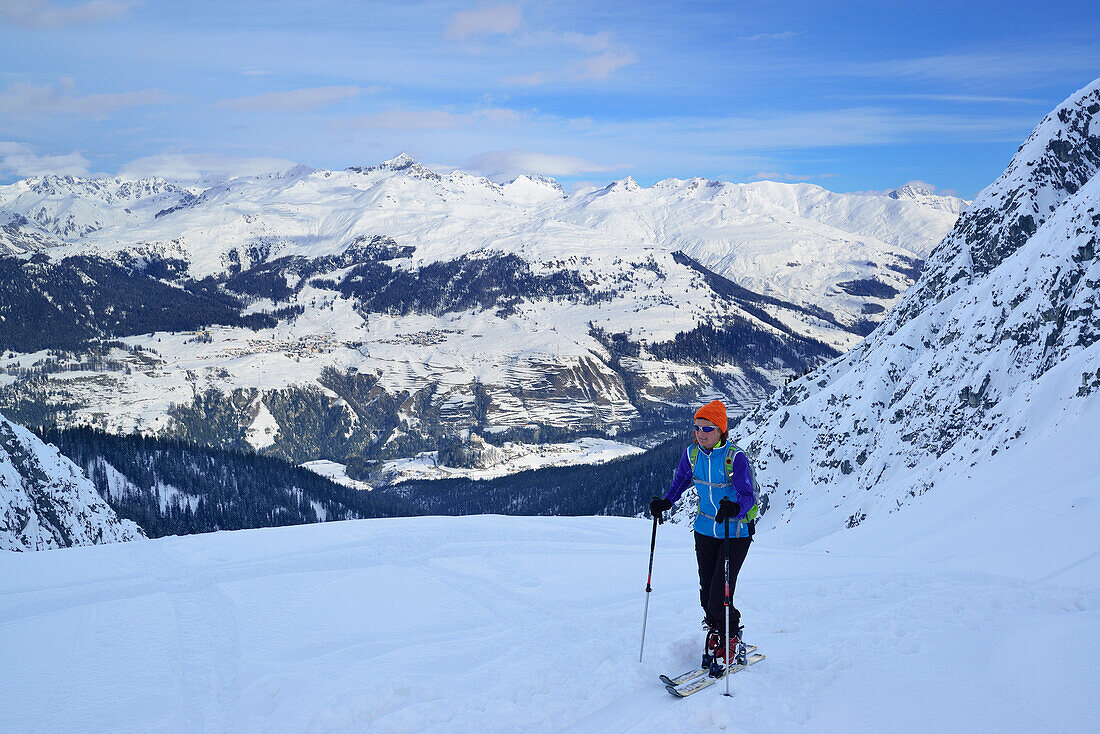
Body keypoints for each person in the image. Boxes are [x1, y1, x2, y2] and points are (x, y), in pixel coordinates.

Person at [649, 399, 757, 675]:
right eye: (696, 428)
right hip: (704, 530)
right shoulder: (693, 454)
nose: (700, 433)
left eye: (707, 428)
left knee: (720, 593)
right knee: (706, 589)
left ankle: (731, 639)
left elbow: (748, 496)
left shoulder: (735, 457)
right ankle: (718, 632)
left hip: (734, 533)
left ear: (721, 429)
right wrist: (667, 502)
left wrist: (735, 508)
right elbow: (681, 481)